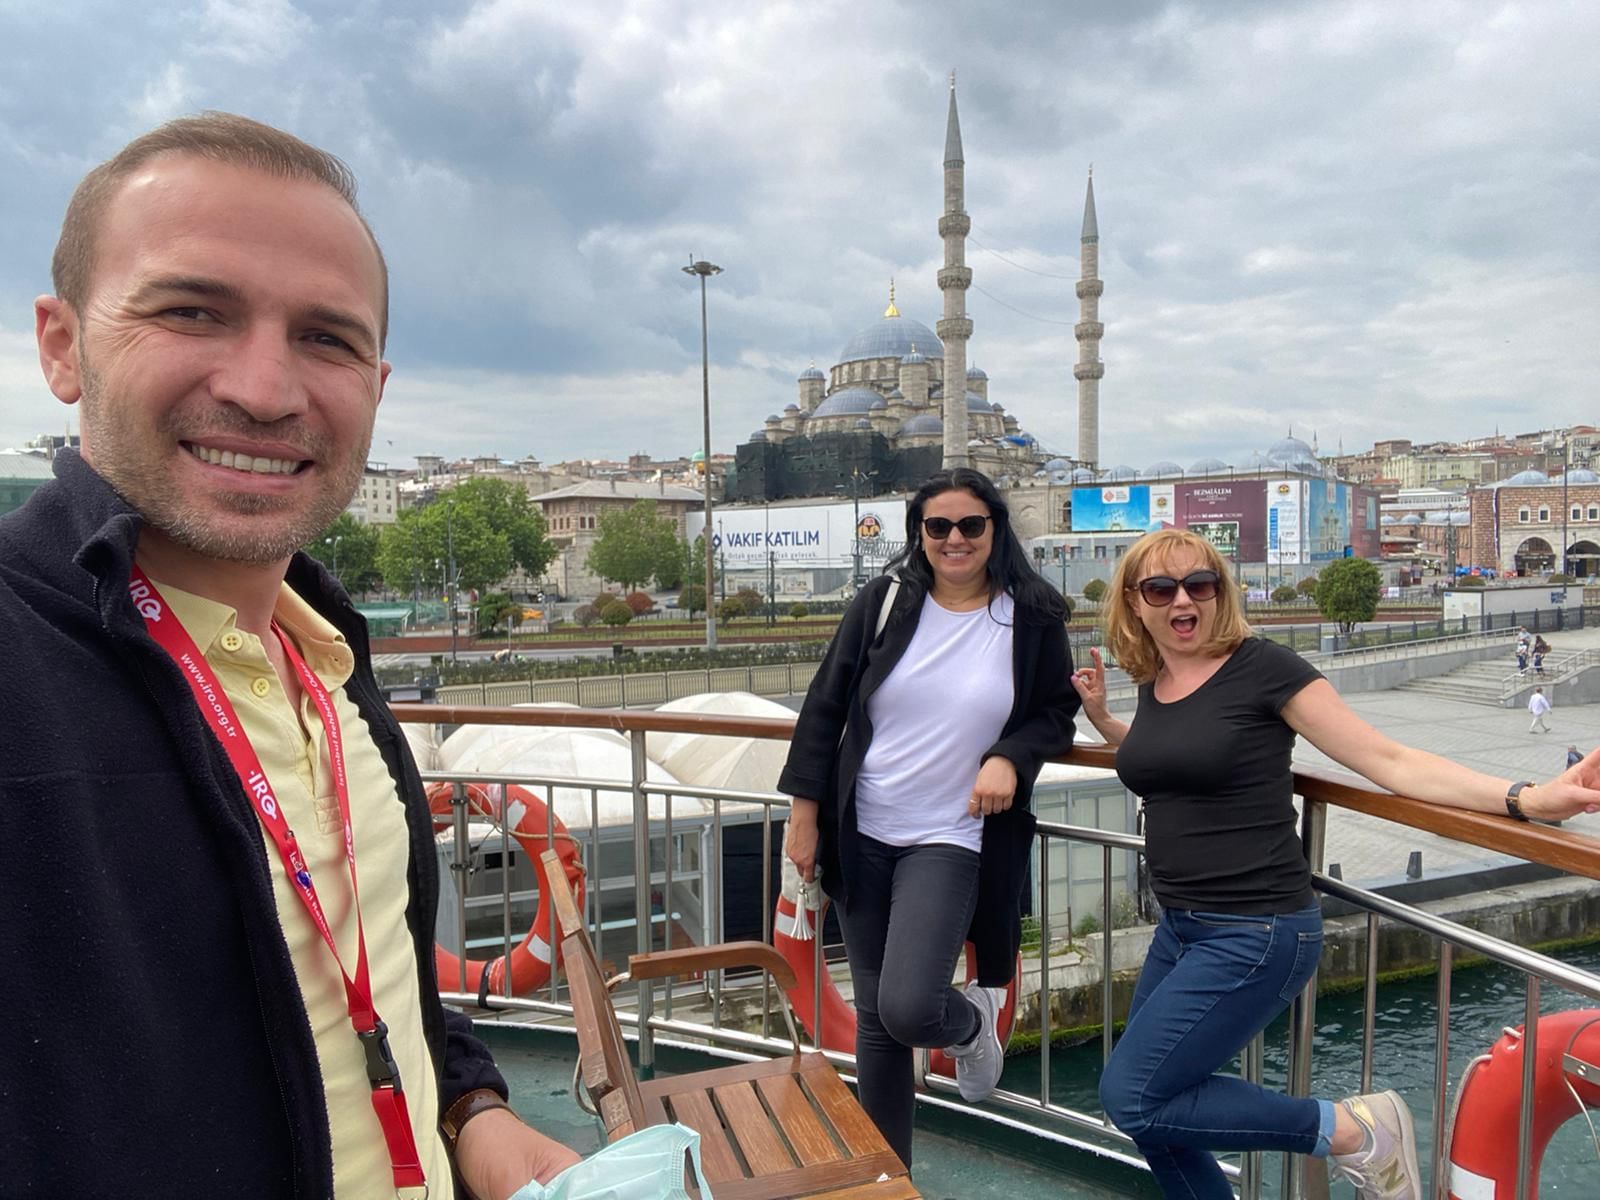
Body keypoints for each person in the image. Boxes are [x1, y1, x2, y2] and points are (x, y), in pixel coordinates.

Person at [3, 113, 579, 1199]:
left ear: (377, 383)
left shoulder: (325, 658)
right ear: (62, 344)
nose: (266, 391)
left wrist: (470, 1110)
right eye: (190, 311)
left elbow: (370, 985)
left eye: (326, 337)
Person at [1069, 529, 1600, 1199]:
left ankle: (1352, 1131)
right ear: (1133, 602)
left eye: (1199, 584)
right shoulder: (1159, 676)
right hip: (1183, 927)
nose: (1183, 600)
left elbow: (1389, 761)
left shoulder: (1264, 668)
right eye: (1160, 588)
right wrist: (1107, 723)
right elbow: (1175, 754)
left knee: (1134, 1095)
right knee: (1155, 1115)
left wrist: (1528, 797)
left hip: (1255, 931)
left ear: (1219, 591)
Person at [779, 467, 1079, 1167]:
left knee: (910, 1006)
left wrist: (1009, 755)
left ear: (995, 530)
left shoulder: (1031, 615)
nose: (954, 539)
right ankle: (891, 1175)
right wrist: (804, 817)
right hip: (863, 830)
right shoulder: (882, 602)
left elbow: (1054, 713)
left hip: (952, 835)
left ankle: (971, 1026)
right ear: (919, 534)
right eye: (937, 526)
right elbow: (825, 709)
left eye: (970, 525)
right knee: (880, 1027)